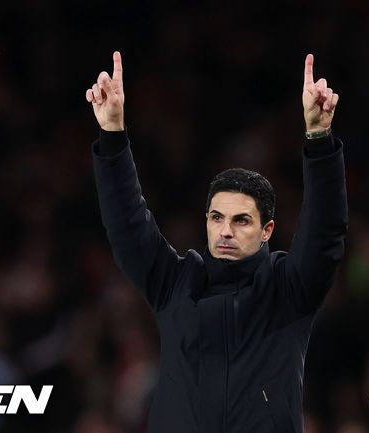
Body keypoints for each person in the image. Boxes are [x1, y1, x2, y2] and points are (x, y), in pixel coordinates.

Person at [85, 51, 348, 433]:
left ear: (267, 231)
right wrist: (112, 134)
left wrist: (319, 138)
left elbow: (325, 231)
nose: (225, 230)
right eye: (217, 217)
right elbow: (127, 224)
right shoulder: (175, 285)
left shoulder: (289, 289)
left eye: (241, 220)